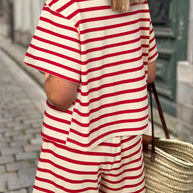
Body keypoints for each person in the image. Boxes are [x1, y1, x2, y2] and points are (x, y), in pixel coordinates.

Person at [24, 0, 157, 192]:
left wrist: (49, 74)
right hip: (128, 141)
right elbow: (150, 73)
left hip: (78, 142)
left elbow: (61, 96)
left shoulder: (65, 5)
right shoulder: (137, 2)